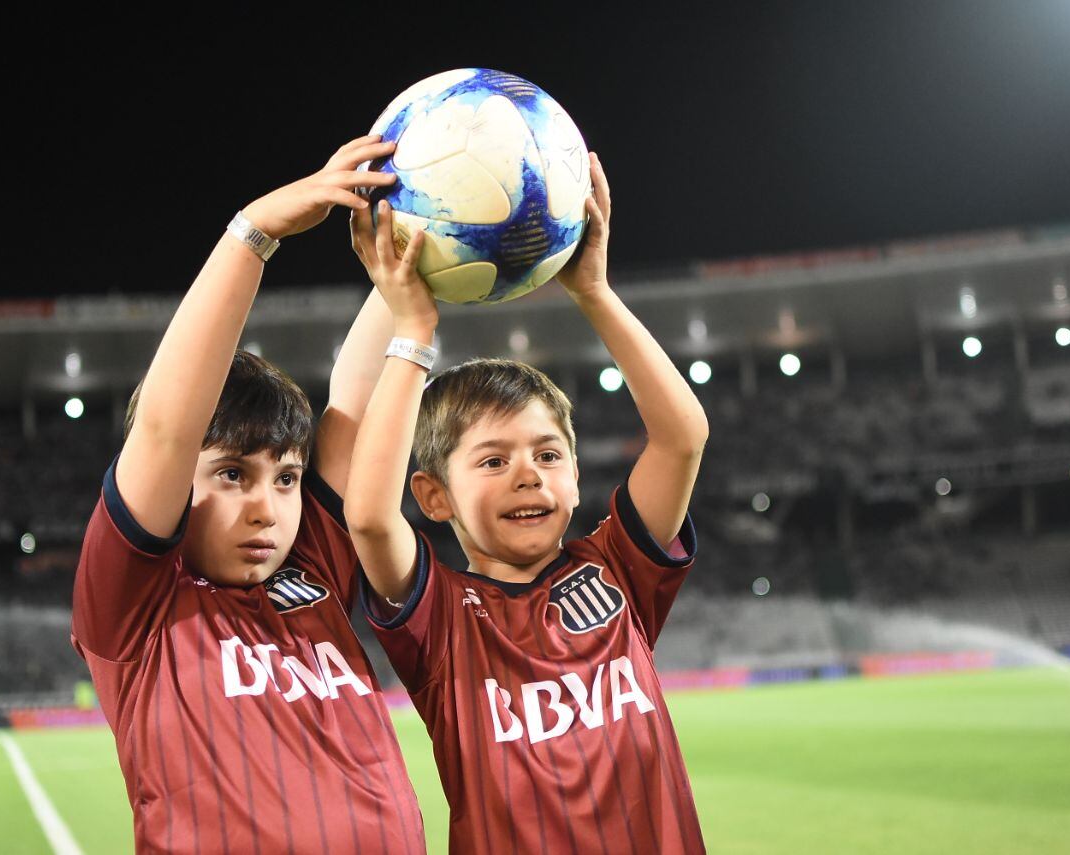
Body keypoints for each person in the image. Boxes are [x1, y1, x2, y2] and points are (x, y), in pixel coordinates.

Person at [71, 134, 426, 854]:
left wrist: (419, 239)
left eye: (287, 477)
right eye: (233, 474)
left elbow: (353, 399)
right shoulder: (136, 606)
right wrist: (252, 235)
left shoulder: (317, 569)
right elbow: (170, 429)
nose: (268, 506)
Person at [344, 153, 709, 853]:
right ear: (434, 495)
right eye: (492, 459)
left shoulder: (615, 571)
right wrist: (412, 330)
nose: (527, 475)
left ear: (574, 476)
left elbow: (683, 437)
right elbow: (366, 514)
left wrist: (595, 292)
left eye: (547, 454)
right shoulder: (439, 620)